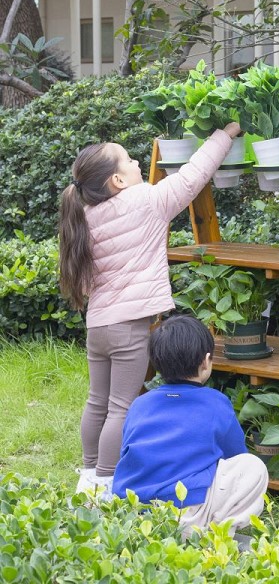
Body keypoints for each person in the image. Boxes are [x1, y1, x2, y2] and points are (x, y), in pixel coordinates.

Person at [59, 123, 242, 498]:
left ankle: (88, 472)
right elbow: (193, 176)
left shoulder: (86, 216)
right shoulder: (147, 201)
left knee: (97, 401)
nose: (137, 160)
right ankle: (106, 483)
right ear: (117, 181)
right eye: (128, 159)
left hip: (99, 327)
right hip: (128, 327)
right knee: (121, 407)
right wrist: (224, 134)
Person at [112, 314, 268, 536]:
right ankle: (216, 533)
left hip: (134, 511)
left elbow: (128, 451)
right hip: (186, 510)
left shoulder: (139, 404)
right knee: (253, 467)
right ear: (206, 361)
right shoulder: (216, 402)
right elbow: (235, 455)